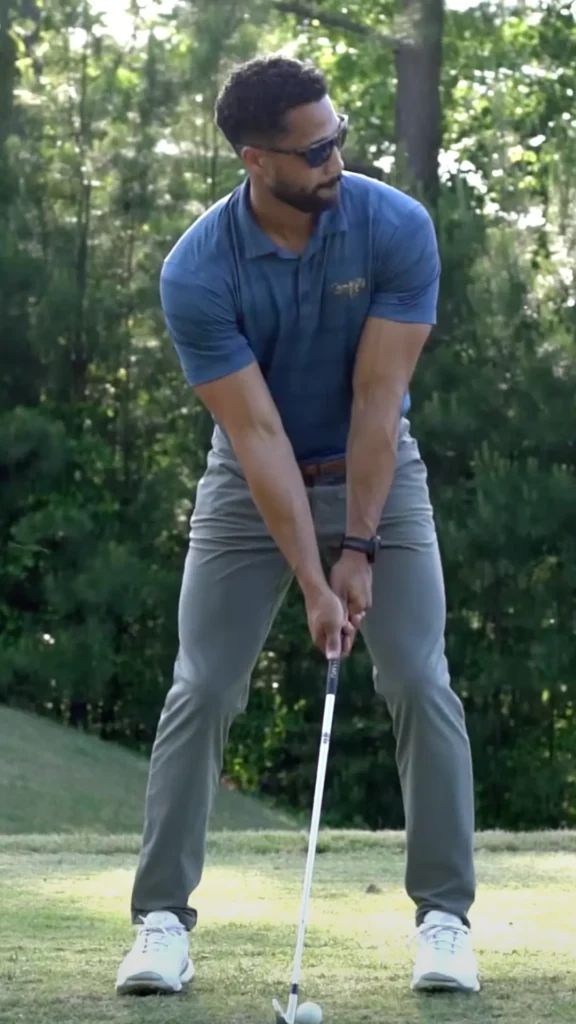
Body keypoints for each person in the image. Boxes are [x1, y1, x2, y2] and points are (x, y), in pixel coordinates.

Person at [115, 54, 479, 998]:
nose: (335, 160)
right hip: (252, 481)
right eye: (314, 149)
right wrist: (315, 587)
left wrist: (357, 548)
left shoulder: (394, 227)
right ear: (255, 158)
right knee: (202, 684)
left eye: (340, 138)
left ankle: (444, 919)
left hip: (377, 472)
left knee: (418, 676)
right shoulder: (198, 270)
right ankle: (161, 921)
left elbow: (378, 396)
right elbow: (257, 432)